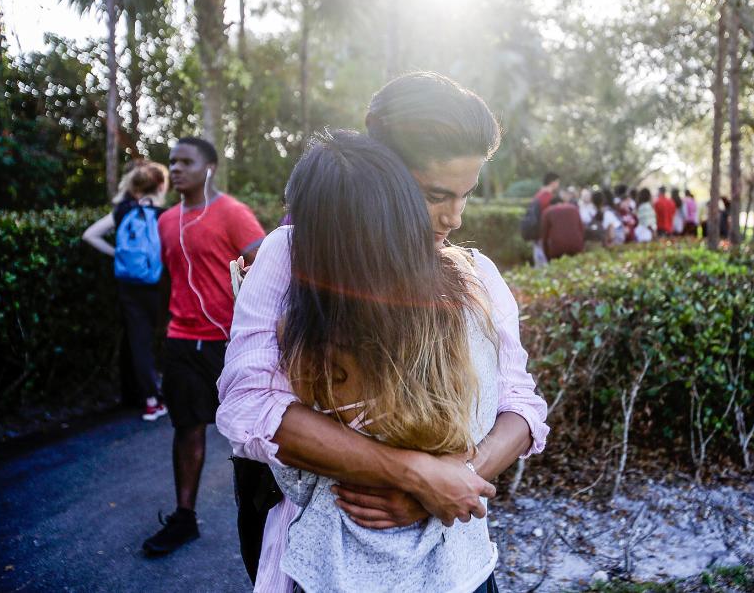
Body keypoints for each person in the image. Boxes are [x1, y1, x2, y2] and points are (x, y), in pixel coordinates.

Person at [217, 71, 549, 593]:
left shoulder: (476, 272)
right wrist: (411, 473)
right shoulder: (292, 254)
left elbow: (522, 405)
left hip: (462, 573)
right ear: (381, 168)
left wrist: (451, 479)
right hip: (330, 574)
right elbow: (247, 407)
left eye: (466, 195)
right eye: (436, 194)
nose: (454, 218)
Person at [141, 137, 267, 556]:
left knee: (249, 434)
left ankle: (266, 516)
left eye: (186, 162)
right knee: (186, 428)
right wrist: (160, 332)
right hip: (181, 340)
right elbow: (168, 281)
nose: (175, 168)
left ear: (208, 168)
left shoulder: (232, 214)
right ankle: (184, 518)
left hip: (230, 342)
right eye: (172, 162)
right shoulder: (165, 222)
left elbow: (267, 267)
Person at [82, 160, 170, 421]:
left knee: (139, 343)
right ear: (160, 186)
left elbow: (90, 235)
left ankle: (151, 401)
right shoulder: (165, 215)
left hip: (129, 286)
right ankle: (173, 392)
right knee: (170, 338)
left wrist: (117, 255)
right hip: (159, 286)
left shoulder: (122, 212)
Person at [540, 196, 586, 261]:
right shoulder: (574, 209)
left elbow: (544, 236)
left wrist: (547, 256)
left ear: (551, 205)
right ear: (563, 202)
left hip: (557, 249)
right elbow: (581, 229)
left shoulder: (547, 212)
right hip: (576, 246)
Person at [530, 173, 560, 267]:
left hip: (537, 236)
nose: (558, 185)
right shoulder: (548, 197)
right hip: (544, 238)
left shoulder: (538, 195)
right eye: (557, 182)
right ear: (552, 182)